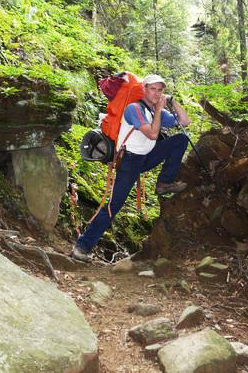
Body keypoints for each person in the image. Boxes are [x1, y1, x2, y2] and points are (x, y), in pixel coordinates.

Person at [71, 74, 190, 262]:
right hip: (129, 161)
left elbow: (185, 122)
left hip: (146, 157)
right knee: (114, 204)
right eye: (153, 89)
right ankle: (82, 246)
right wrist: (159, 109)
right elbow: (151, 134)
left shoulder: (154, 110)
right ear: (144, 89)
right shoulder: (134, 109)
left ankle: (164, 183)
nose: (157, 93)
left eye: (160, 90)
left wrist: (173, 102)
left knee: (181, 139)